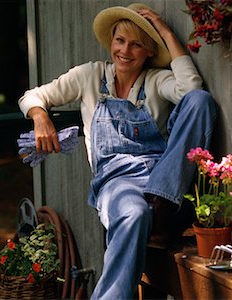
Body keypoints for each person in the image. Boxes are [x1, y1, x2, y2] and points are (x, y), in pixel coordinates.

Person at [18, 3, 217, 299]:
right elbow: (32, 96)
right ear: (111, 42)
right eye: (120, 41)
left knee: (200, 101)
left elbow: (192, 89)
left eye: (137, 44)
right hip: (117, 183)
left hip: (160, 179)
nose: (125, 50)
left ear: (149, 51)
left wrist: (164, 30)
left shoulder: (154, 80)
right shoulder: (89, 75)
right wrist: (40, 117)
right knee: (134, 214)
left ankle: (160, 204)